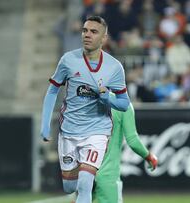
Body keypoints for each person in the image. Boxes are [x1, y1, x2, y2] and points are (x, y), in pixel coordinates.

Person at [40, 16, 130, 203]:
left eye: (93, 31)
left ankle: (87, 188)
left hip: (97, 131)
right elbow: (52, 91)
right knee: (70, 187)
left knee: (84, 184)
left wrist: (108, 99)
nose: (87, 35)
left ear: (104, 38)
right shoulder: (68, 60)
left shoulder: (114, 67)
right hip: (69, 131)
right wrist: (45, 124)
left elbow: (123, 103)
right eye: (85, 30)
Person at [94, 102, 158, 203]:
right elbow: (133, 140)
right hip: (107, 174)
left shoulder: (86, 101)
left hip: (84, 171)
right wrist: (149, 156)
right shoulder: (122, 104)